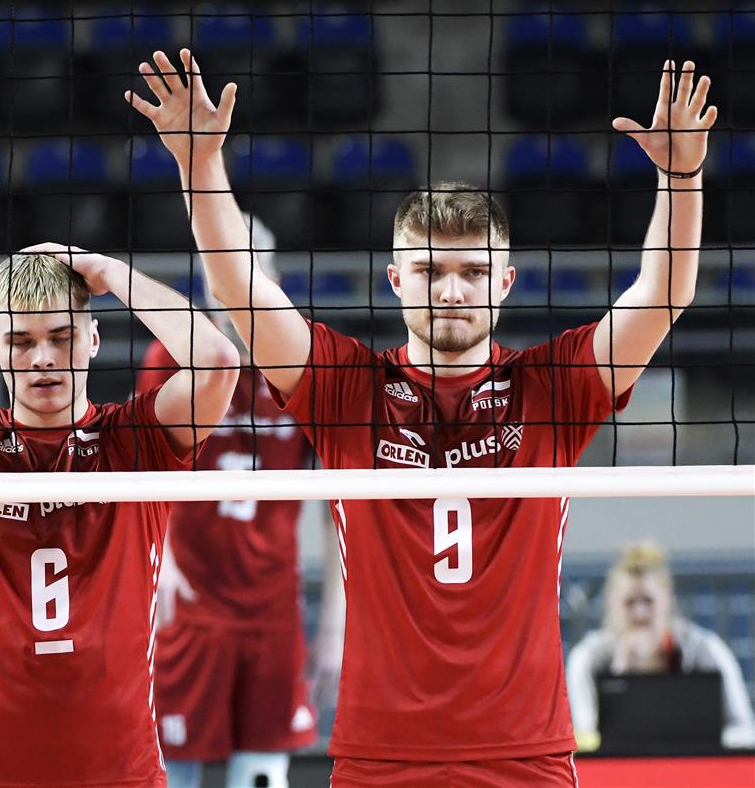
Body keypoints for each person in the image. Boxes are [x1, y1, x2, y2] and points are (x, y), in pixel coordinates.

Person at [130, 48, 716, 786]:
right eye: (431, 271)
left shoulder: (553, 387)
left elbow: (663, 297)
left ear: (505, 283)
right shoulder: (345, 389)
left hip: (524, 755)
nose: (452, 291)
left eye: (473, 272)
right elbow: (239, 290)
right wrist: (200, 166)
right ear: (396, 280)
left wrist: (681, 177)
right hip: (381, 757)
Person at [0, 171, 240, 784]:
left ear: (93, 338)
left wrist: (106, 271)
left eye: (61, 336)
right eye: (22, 341)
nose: (44, 358)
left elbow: (217, 362)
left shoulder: (133, 442)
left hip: (120, 771)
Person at [135, 213, 338, 788]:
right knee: (174, 767)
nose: (231, 282)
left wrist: (335, 622)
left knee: (262, 772)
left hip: (273, 605)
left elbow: (337, 503)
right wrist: (161, 567)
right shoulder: (169, 358)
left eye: (245, 268)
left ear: (271, 277)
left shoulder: (302, 363)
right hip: (190, 602)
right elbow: (140, 471)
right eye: (218, 268)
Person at [567, 542, 755, 750]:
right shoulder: (589, 659)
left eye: (648, 601)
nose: (640, 613)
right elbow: (584, 738)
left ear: (667, 601)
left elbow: (744, 731)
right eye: (629, 603)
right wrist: (619, 673)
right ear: (612, 604)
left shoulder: (706, 652)